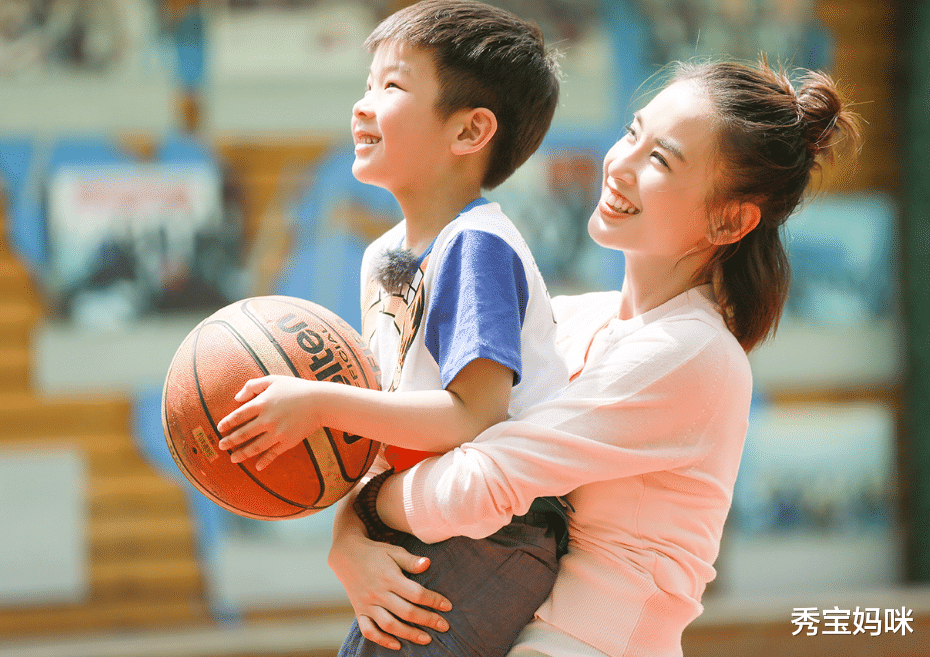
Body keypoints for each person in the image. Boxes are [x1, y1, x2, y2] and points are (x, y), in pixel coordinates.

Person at [328, 56, 861, 657]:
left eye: (660, 159)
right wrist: (349, 545)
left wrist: (364, 509)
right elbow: (422, 432)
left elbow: (481, 483)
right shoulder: (577, 319)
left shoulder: (691, 354)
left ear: (730, 219)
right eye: (633, 134)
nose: (621, 164)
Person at [216, 1, 570, 655]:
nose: (362, 105)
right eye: (367, 83)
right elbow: (384, 424)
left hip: (495, 529)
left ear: (470, 131)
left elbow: (472, 417)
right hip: (417, 514)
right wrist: (348, 534)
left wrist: (317, 401)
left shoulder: (476, 245)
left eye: (392, 86)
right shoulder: (384, 257)